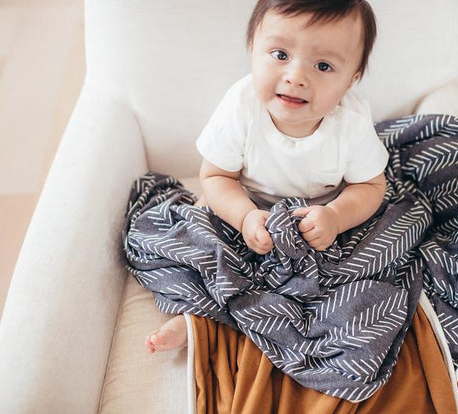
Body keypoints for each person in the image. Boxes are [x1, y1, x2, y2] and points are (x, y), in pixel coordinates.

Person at [146, 0, 388, 353]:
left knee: (363, 269)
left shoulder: (351, 123)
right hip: (244, 210)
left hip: (320, 226)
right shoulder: (241, 107)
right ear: (253, 49)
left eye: (323, 65)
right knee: (198, 242)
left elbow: (370, 185)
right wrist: (244, 216)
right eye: (280, 54)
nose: (296, 77)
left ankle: (293, 323)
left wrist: (337, 217)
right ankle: (194, 318)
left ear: (351, 80)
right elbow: (215, 177)